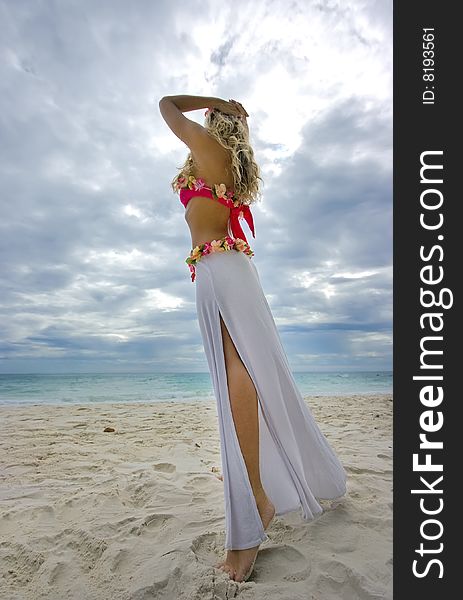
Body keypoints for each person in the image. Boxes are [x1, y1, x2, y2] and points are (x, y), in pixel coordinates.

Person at [159, 94, 347, 583]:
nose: (200, 121)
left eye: (209, 117)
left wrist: (213, 100)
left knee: (236, 370)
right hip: (222, 268)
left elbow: (165, 105)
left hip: (221, 269)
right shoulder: (226, 162)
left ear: (216, 121)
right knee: (242, 370)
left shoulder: (208, 147)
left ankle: (258, 500)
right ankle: (258, 487)